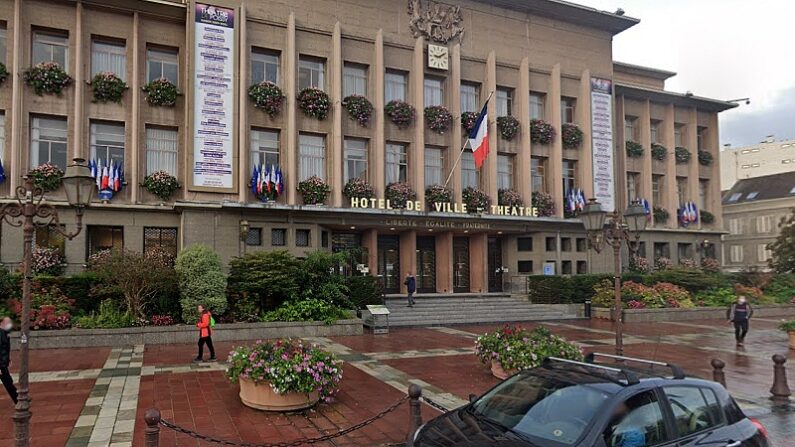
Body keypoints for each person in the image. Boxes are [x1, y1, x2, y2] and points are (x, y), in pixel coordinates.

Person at [0, 317, 18, 404]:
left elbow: (5, 348)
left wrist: (7, 359)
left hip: (2, 363)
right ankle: (17, 399)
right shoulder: (2, 333)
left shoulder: (3, 333)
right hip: (1, 364)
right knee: (8, 382)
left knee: (8, 382)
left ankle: (17, 398)